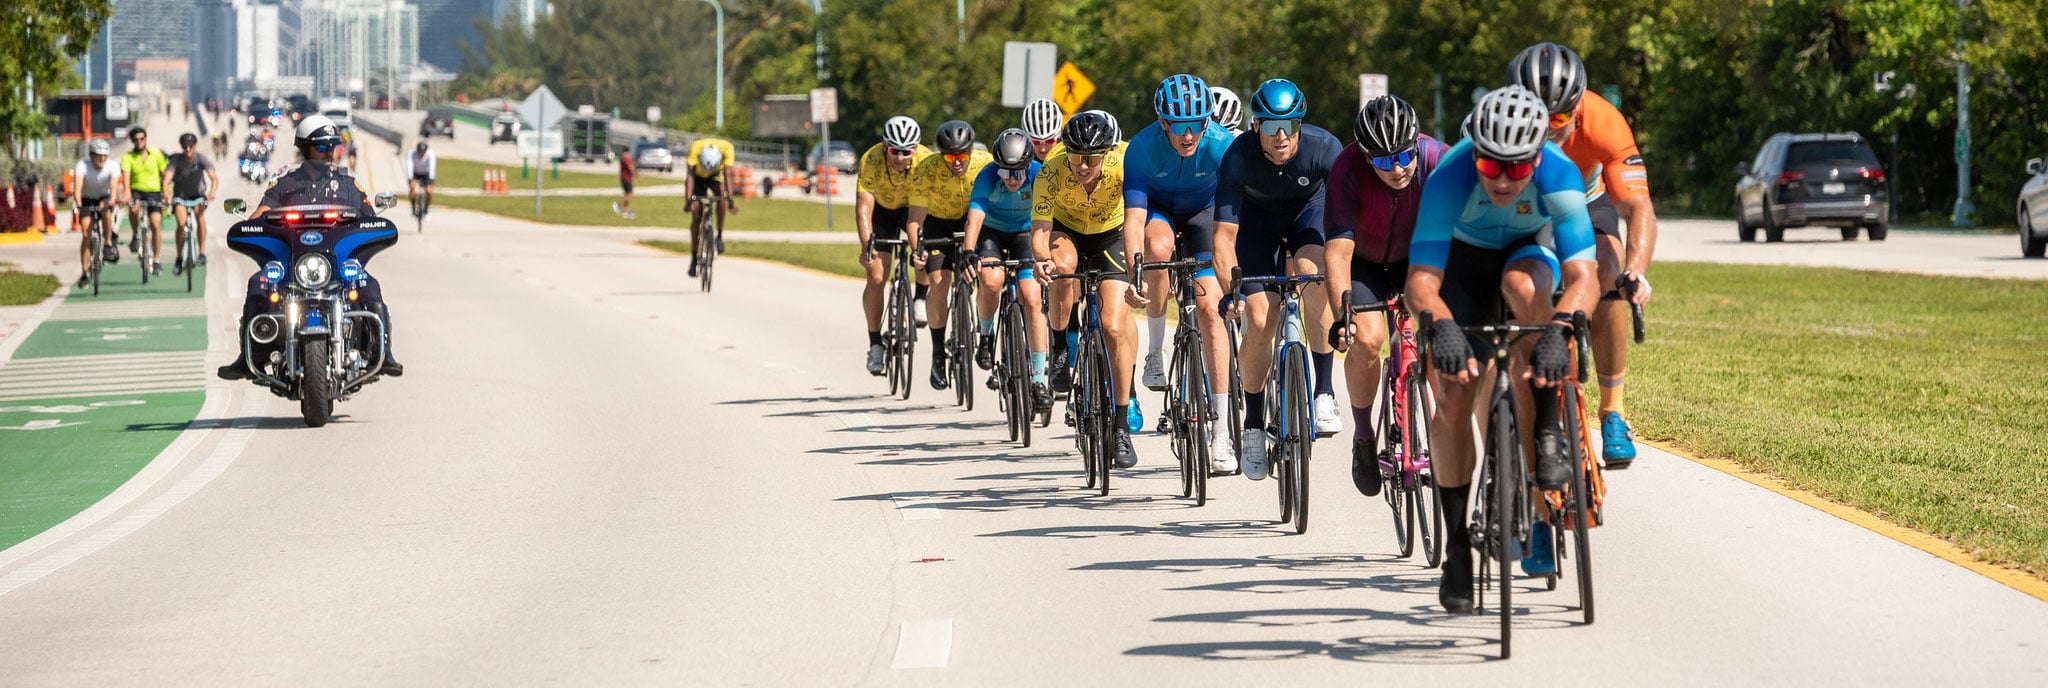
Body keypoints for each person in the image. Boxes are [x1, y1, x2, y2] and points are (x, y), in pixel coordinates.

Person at [1405, 86, 1598, 613]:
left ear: (1537, 158)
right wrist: (1440, 325)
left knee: (1526, 288)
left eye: (1517, 171)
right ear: (1477, 155)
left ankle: (1546, 427)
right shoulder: (1450, 174)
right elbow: (1420, 281)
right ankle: (1457, 551)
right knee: (1453, 392)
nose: (1504, 181)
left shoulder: (1558, 172)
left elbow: (1585, 276)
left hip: (1524, 253)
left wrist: (1559, 330)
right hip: (1462, 265)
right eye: (1491, 169)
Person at [1508, 41, 1657, 469]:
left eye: (1559, 118)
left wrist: (1636, 270)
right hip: (1524, 204)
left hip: (1588, 200)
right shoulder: (1500, 121)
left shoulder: (1604, 121)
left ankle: (1613, 412)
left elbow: (1636, 205)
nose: (1550, 128)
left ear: (1577, 108)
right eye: (1538, 118)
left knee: (1610, 274)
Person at [1211, 78, 1346, 479]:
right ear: (1256, 127)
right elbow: (1223, 238)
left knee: (1314, 275)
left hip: (1308, 214)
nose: (1281, 136)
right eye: (1271, 126)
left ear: (1302, 125)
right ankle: (1252, 424)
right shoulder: (1238, 156)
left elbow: (1344, 229)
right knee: (1258, 317)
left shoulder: (1325, 149)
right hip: (1257, 226)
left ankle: (1323, 390)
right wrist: (1229, 290)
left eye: (1290, 125)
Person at [1325, 95, 1448, 496]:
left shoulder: (1437, 160)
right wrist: (1343, 316)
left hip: (1419, 258)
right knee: (1368, 339)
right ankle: (1364, 437)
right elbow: (1338, 253)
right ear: (1364, 157)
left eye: (1402, 157)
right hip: (1365, 262)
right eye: (1380, 161)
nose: (1396, 169)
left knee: (1440, 342)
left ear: (1417, 144)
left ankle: (1442, 432)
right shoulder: (1346, 168)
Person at [218, 116, 404, 380]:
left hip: (337, 268)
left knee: (368, 284)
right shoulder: (284, 182)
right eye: (322, 147)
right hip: (292, 266)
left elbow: (370, 217)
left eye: (333, 147)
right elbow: (261, 213)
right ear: (305, 148)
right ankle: (248, 357)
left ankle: (384, 352)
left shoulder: (348, 183)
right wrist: (250, 226)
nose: (329, 154)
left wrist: (376, 226)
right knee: (258, 283)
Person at [1123, 74, 1234, 446]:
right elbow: (1134, 220)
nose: (1189, 135)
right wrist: (1135, 271)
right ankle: (1156, 350)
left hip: (1205, 213)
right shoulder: (1141, 148)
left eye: (1198, 125)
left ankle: (1221, 434)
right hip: (1159, 212)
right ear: (1163, 123)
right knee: (1156, 249)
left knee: (1211, 313)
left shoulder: (1222, 144)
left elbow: (1238, 215)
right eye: (1180, 127)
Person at [1032, 110, 1140, 469]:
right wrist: (1040, 258)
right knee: (1062, 269)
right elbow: (1040, 228)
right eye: (1076, 155)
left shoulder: (1126, 162)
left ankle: (1121, 424)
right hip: (1068, 229)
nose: (1082, 165)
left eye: (1091, 157)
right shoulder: (1053, 166)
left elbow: (1140, 215)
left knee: (1112, 325)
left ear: (1107, 152)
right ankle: (1060, 345)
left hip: (1112, 232)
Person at [963, 129, 1052, 408]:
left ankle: (1038, 379)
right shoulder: (987, 176)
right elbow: (975, 219)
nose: (1012, 180)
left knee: (1033, 299)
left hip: (1027, 234)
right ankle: (986, 335)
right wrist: (968, 251)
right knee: (990, 281)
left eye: (1018, 173)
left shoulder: (1040, 174)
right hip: (993, 232)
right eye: (1005, 173)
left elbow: (1053, 215)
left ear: (1029, 166)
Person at [906, 121, 993, 390]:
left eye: (962, 156)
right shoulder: (926, 169)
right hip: (938, 223)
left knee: (987, 276)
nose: (956, 162)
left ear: (971, 151)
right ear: (941, 155)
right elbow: (915, 219)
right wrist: (916, 248)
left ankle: (984, 333)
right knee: (939, 284)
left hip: (974, 220)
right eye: (950, 157)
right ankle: (937, 354)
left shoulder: (985, 163)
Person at [857, 116, 931, 375]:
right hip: (883, 213)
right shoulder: (871, 159)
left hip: (915, 208)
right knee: (876, 276)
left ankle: (920, 297)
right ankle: (875, 344)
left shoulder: (926, 159)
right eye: (894, 151)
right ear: (884, 146)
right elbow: (864, 209)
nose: (900, 157)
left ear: (916, 148)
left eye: (906, 151)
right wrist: (868, 246)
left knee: (922, 250)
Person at [161, 133, 220, 273]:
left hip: (198, 195)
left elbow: (214, 178)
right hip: (181, 196)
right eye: (185, 146)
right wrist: (166, 194)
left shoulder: (201, 159)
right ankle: (179, 257)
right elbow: (166, 180)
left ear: (195, 146)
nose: (188, 149)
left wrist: (212, 192)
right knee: (181, 225)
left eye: (190, 146)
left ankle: (202, 253)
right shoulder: (176, 160)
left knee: (200, 217)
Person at [685, 136, 739, 277]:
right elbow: (690, 176)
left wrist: (731, 201)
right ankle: (693, 259)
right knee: (696, 215)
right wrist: (689, 201)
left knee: (721, 196)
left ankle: (719, 235)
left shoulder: (727, 148)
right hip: (698, 176)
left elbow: (727, 175)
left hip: (716, 173)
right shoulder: (695, 147)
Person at [70, 140, 121, 288]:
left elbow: (113, 189)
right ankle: (84, 273)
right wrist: (78, 204)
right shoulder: (82, 166)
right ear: (91, 156)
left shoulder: (112, 166)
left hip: (103, 197)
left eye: (105, 156)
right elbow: (77, 190)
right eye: (99, 156)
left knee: (105, 209)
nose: (102, 159)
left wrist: (111, 202)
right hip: (86, 199)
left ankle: (108, 242)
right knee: (86, 234)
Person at [119, 127, 171, 274]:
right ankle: (136, 235)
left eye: (142, 139)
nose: (139, 142)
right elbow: (126, 176)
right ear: (132, 141)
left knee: (155, 224)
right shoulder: (128, 157)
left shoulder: (156, 154)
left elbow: (164, 173)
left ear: (146, 139)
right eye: (136, 139)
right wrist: (127, 193)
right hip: (136, 190)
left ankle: (156, 259)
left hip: (153, 191)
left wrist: (166, 192)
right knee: (134, 209)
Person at [1021, 98, 1065, 163]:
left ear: (1060, 133)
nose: (1043, 149)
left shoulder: (1070, 152)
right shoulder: (1020, 153)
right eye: (1035, 142)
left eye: (1049, 141)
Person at [404, 141, 436, 218]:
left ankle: (426, 209)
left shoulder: (431, 154)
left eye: (423, 152)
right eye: (420, 152)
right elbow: (409, 166)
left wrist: (431, 179)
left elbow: (432, 166)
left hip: (426, 174)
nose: (421, 154)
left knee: (429, 191)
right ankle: (413, 207)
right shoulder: (411, 154)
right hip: (415, 173)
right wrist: (410, 178)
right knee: (412, 188)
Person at [614, 148, 637, 218]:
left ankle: (626, 212)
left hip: (624, 178)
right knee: (631, 194)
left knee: (627, 194)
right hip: (626, 179)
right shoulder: (626, 158)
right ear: (628, 151)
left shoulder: (622, 157)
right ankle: (618, 204)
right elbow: (631, 168)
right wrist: (637, 176)